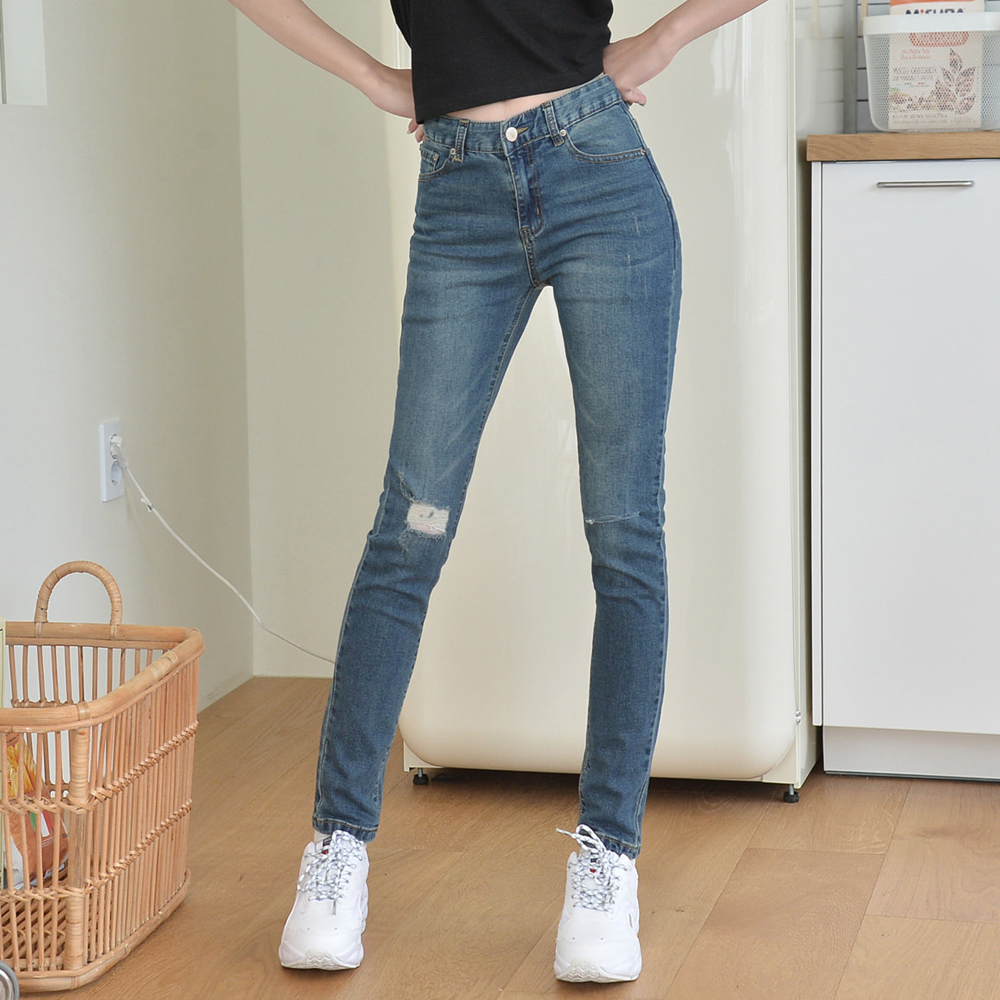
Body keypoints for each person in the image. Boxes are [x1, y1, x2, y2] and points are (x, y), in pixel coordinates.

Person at [229, 0, 767, 984]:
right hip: (459, 193)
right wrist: (373, 76)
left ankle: (607, 861)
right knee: (409, 532)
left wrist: (663, 39)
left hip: (600, 173)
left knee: (624, 534)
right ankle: (337, 849)